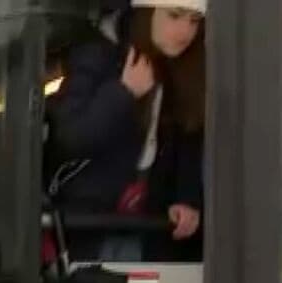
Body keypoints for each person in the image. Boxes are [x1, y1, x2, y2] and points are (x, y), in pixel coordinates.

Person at [46, 0, 206, 262]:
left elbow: (188, 139)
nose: (184, 32)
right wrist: (123, 93)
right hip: (93, 222)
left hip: (153, 222)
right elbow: (69, 137)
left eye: (194, 21)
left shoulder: (185, 68)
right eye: (174, 16)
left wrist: (186, 199)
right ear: (146, 13)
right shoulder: (98, 54)